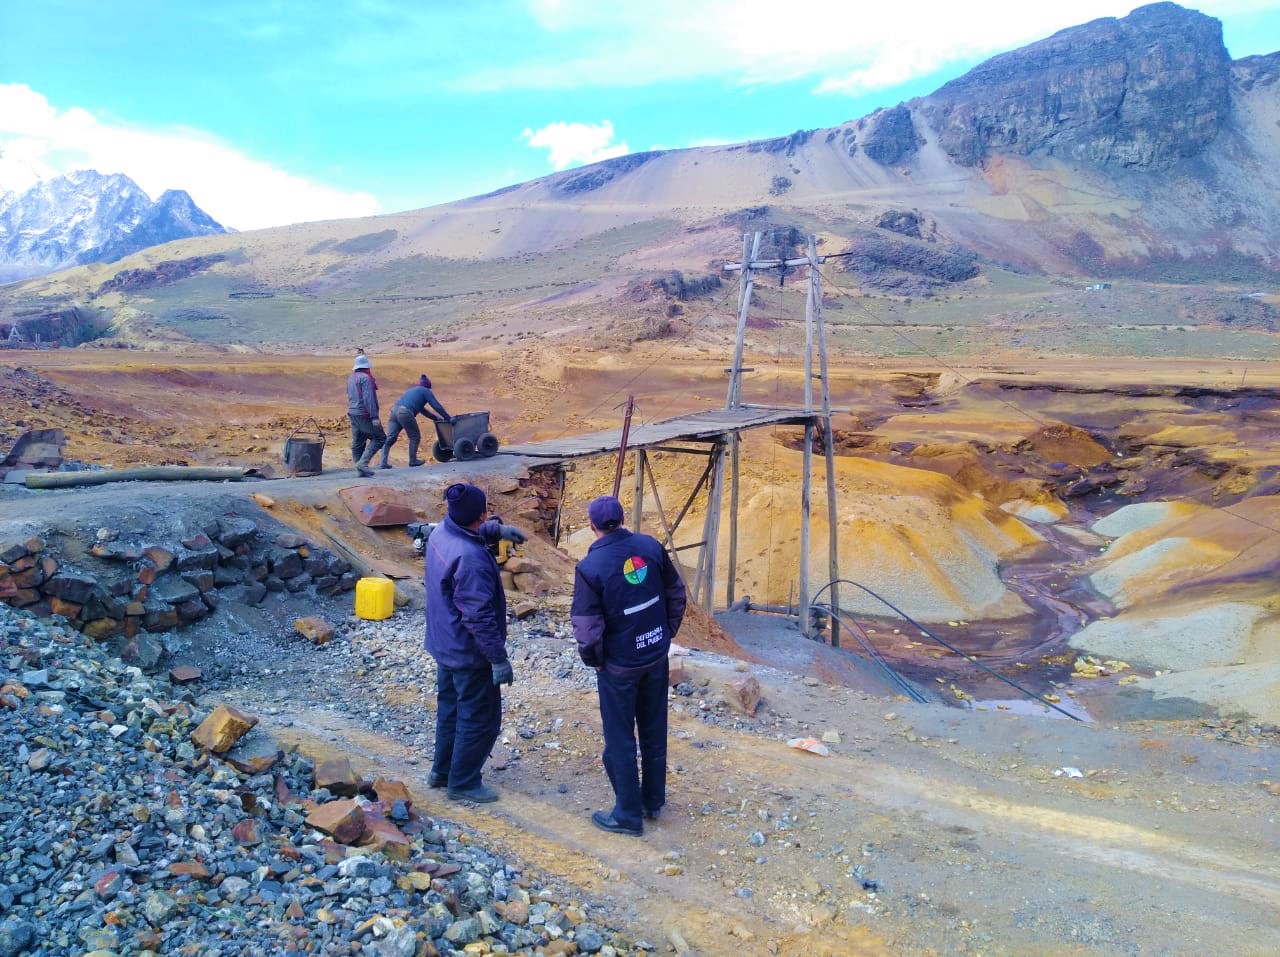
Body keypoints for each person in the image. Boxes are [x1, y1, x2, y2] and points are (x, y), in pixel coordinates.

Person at [572, 495, 687, 836]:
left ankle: (627, 814)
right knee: (653, 729)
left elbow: (586, 625)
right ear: (622, 519)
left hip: (619, 667)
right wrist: (665, 634)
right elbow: (676, 593)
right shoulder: (650, 547)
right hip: (655, 655)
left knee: (620, 738)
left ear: (591, 527)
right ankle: (653, 801)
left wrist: (594, 661)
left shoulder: (590, 568)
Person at [424, 482, 514, 803]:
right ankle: (462, 782)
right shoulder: (472, 559)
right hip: (468, 652)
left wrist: (497, 531)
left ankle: (442, 771)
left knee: (450, 710)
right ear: (480, 514)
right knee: (480, 718)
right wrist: (498, 659)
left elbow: (465, 530)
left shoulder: (440, 533)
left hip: (443, 643)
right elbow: (478, 617)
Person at [380, 374, 450, 469]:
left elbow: (422, 410)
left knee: (390, 438)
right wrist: (447, 417)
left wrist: (435, 418)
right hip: (405, 412)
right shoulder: (425, 391)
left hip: (394, 411)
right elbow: (436, 405)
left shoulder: (413, 391)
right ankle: (413, 460)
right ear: (428, 386)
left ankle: (383, 462)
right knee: (414, 436)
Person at [346, 354, 385, 477]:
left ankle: (359, 470)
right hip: (363, 414)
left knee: (358, 442)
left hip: (353, 413)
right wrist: (374, 416)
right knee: (380, 438)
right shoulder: (365, 379)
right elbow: (369, 398)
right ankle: (363, 463)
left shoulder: (351, 378)